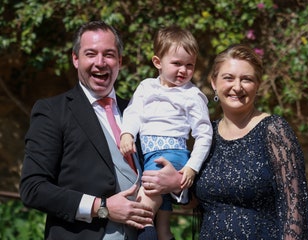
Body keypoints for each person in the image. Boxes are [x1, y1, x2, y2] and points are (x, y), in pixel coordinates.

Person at [19, 20, 184, 240]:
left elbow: (167, 177)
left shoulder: (141, 111)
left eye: (108, 54)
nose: (100, 62)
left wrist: (176, 185)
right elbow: (33, 188)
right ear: (76, 59)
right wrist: (101, 207)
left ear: (119, 61)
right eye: (90, 54)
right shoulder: (52, 111)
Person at [193, 44, 308, 239]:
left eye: (246, 79)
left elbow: (294, 208)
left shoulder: (274, 130)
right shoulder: (206, 134)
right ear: (214, 82)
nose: (237, 86)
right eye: (228, 78)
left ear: (257, 85)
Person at [119, 26, 212, 240]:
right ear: (157, 62)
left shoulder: (192, 95)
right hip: (147, 153)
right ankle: (163, 234)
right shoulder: (146, 87)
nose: (183, 70)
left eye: (190, 65)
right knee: (162, 219)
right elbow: (133, 112)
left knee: (143, 208)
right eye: (177, 63)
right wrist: (127, 134)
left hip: (169, 154)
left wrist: (191, 167)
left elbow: (204, 134)